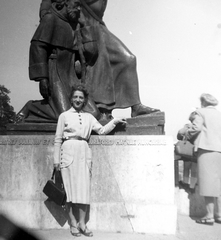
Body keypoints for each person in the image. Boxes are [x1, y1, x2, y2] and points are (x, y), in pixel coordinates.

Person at [36, 0, 160, 121]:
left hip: (98, 26)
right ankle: (102, 110)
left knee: (128, 59)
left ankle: (136, 106)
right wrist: (45, 14)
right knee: (98, 68)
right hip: (82, 26)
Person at [53, 83, 126, 236]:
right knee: (69, 190)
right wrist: (56, 161)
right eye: (75, 97)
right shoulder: (64, 116)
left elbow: (102, 130)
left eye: (81, 97)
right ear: (71, 99)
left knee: (83, 191)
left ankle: (82, 223)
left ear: (85, 100)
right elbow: (58, 139)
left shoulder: (89, 117)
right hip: (67, 154)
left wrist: (115, 121)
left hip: (84, 153)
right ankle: (72, 222)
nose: (78, 100)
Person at [184, 93, 221, 225]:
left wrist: (186, 133)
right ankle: (219, 214)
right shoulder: (219, 113)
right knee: (218, 183)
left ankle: (209, 215)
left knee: (207, 183)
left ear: (203, 102)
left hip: (207, 149)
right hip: (219, 150)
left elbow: (196, 128)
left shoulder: (200, 112)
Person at [177, 111, 197, 193]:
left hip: (187, 151)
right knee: (194, 170)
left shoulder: (188, 126)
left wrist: (186, 127)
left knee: (186, 168)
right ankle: (192, 187)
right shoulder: (201, 126)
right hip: (195, 151)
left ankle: (185, 184)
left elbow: (180, 133)